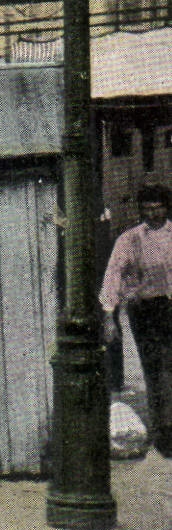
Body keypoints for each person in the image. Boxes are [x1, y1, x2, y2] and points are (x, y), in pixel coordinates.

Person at [101, 183, 172, 458]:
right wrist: (109, 315)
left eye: (158, 208)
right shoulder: (130, 239)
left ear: (166, 208)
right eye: (148, 209)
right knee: (156, 369)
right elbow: (113, 275)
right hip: (146, 311)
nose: (153, 214)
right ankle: (164, 430)